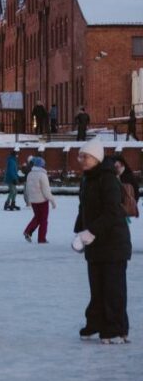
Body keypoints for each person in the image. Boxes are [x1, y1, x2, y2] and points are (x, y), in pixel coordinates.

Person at [73, 140, 131, 344]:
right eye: (80, 156)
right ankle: (96, 323)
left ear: (96, 158)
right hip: (95, 242)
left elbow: (112, 211)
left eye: (85, 157)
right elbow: (84, 208)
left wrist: (91, 231)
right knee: (97, 286)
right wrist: (79, 231)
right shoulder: (88, 179)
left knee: (113, 288)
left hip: (113, 242)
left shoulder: (107, 179)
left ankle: (116, 328)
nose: (81, 160)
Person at [22, 156, 56, 243]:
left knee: (37, 217)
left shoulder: (30, 174)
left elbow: (27, 189)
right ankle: (41, 238)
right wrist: (52, 201)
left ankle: (28, 231)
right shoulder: (43, 175)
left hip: (33, 201)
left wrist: (29, 200)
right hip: (42, 201)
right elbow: (46, 190)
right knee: (43, 220)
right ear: (42, 165)